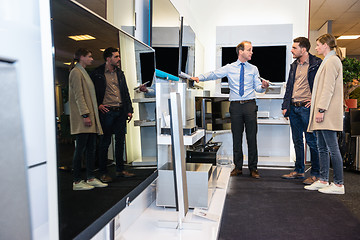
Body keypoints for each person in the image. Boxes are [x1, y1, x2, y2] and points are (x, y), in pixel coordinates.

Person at [192, 41, 269, 178]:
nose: (252, 52)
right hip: (235, 106)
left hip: (250, 105)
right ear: (241, 52)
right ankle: (238, 167)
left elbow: (257, 87)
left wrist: (263, 86)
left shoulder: (254, 69)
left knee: (252, 138)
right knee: (236, 137)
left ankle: (253, 168)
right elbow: (214, 74)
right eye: (249, 50)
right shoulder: (229, 67)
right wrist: (199, 78)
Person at [304, 33, 345, 194]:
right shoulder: (327, 61)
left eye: (318, 45)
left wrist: (320, 109)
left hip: (326, 112)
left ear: (325, 45)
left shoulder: (332, 61)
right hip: (322, 111)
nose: (316, 48)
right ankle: (323, 179)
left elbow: (328, 89)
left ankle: (339, 184)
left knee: (332, 148)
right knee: (321, 147)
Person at [281, 37, 322, 185]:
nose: (291, 50)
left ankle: (316, 174)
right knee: (297, 141)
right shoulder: (294, 66)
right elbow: (289, 86)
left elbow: (323, 85)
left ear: (303, 49)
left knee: (311, 141)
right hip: (293, 108)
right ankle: (299, 170)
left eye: (294, 48)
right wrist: (285, 105)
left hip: (307, 108)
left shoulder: (316, 64)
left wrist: (315, 101)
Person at [91, 47, 135, 183]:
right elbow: (91, 92)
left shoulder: (120, 73)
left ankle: (120, 170)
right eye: (116, 57)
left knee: (120, 142)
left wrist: (129, 109)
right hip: (107, 112)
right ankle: (103, 173)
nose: (118, 59)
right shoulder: (97, 73)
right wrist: (98, 104)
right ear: (108, 59)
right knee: (105, 143)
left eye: (118, 56)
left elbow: (125, 92)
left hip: (120, 111)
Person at [68, 48, 107, 190]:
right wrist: (85, 115)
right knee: (81, 149)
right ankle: (77, 181)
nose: (92, 59)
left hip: (90, 118)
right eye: (89, 56)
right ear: (82, 57)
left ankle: (90, 177)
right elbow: (79, 96)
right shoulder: (75, 72)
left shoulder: (83, 72)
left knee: (91, 148)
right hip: (84, 119)